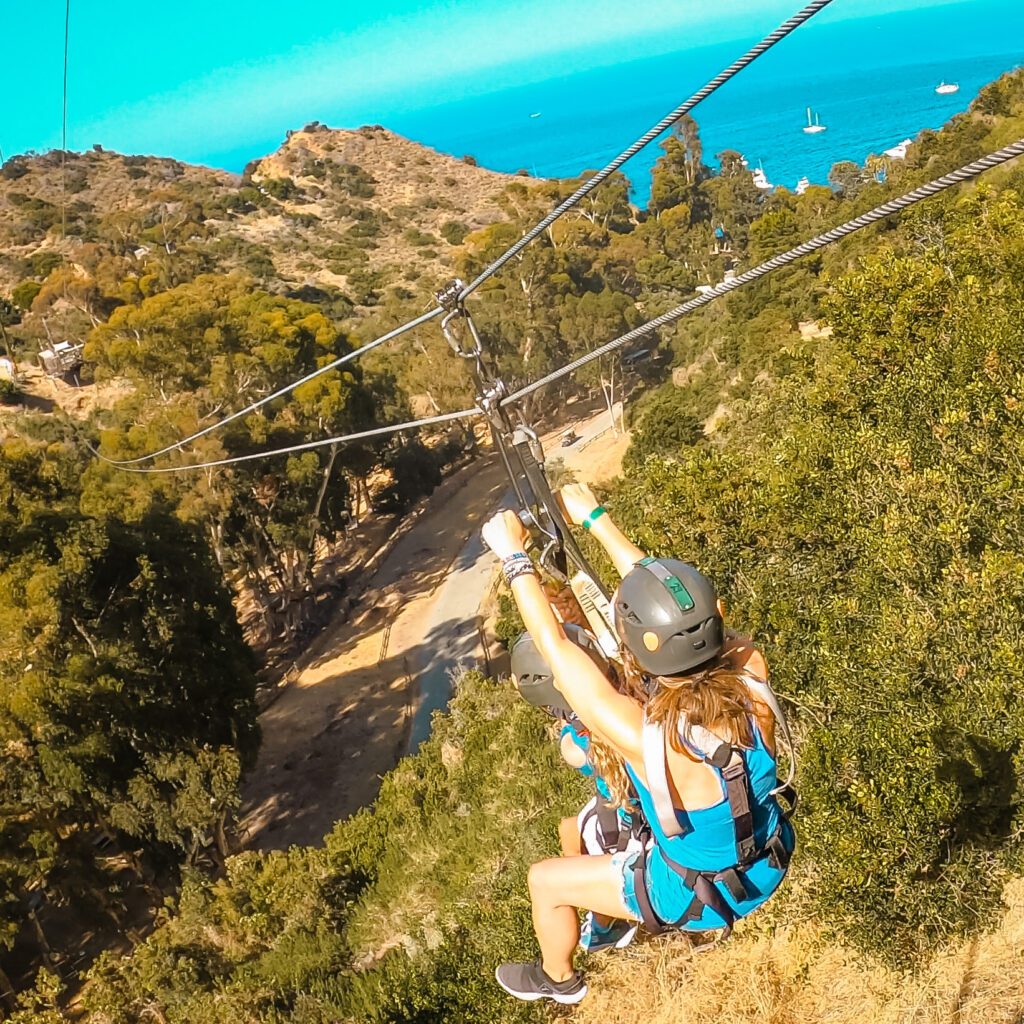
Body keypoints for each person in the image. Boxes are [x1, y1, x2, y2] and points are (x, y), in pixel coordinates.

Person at [482, 483, 795, 1005]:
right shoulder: (751, 674)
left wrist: (516, 558)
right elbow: (683, 610)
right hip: (768, 858)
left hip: (691, 893)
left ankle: (560, 981)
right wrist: (596, 519)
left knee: (545, 882)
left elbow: (555, 650)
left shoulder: (643, 737)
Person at [510, 628, 643, 953]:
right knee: (569, 828)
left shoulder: (580, 743)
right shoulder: (632, 692)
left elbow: (575, 748)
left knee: (586, 853)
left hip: (626, 824)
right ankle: (602, 914)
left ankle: (602, 925)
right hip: (626, 808)